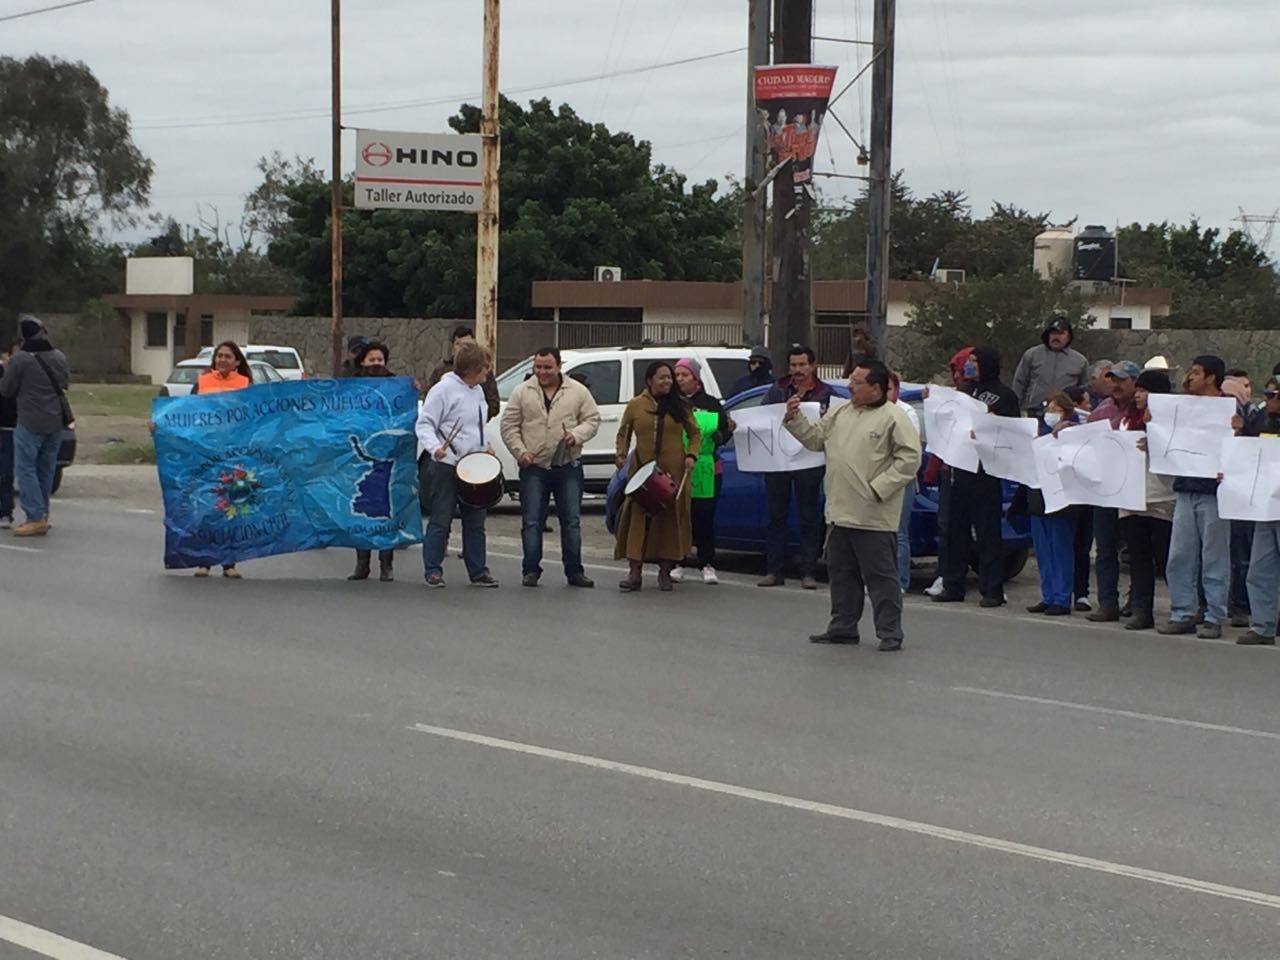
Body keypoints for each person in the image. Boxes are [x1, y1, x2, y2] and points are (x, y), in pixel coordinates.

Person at [783, 359, 921, 651]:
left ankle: (890, 632)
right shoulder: (840, 412)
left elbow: (909, 460)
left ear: (876, 388)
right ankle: (843, 627)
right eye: (851, 381)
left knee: (880, 577)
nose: (850, 387)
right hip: (839, 510)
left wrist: (879, 487)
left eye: (857, 383)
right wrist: (795, 419)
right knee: (841, 574)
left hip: (873, 513)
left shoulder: (894, 417)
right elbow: (815, 439)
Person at [499, 346, 600, 588]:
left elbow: (592, 419)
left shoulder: (577, 391)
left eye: (547, 367)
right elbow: (509, 426)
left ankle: (574, 571)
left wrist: (575, 435)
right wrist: (520, 451)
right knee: (532, 521)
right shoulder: (522, 391)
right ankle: (531, 570)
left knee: (571, 521)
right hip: (534, 467)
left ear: (559, 366)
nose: (542, 372)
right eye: (538, 367)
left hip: (568, 465)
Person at [933, 345, 1020, 607]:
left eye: (974, 361)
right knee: (954, 531)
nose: (969, 366)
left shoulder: (1004, 395)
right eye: (968, 361)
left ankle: (992, 590)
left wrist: (990, 423)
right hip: (958, 470)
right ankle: (953, 584)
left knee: (987, 533)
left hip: (985, 473)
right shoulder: (963, 391)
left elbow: (1012, 430)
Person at [1157, 355, 1231, 638]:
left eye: (1196, 372)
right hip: (1186, 490)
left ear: (1211, 378)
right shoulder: (1181, 407)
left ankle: (1214, 616)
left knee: (1214, 557)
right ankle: (1182, 612)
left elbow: (1246, 445)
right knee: (1179, 555)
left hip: (1215, 493)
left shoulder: (1230, 409)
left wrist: (1238, 429)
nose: (1189, 377)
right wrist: (1154, 425)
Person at [416, 340, 499, 588]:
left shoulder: (477, 391)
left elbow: (475, 427)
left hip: (474, 466)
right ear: (473, 370)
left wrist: (484, 446)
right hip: (447, 464)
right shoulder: (443, 390)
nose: (487, 374)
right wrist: (435, 448)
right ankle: (433, 569)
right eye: (485, 369)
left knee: (476, 522)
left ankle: (478, 570)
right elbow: (425, 423)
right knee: (441, 519)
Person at [613, 361, 701, 592]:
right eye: (662, 377)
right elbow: (623, 433)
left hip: (672, 471)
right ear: (649, 380)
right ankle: (634, 572)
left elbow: (694, 433)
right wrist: (621, 454)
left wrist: (691, 455)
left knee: (668, 521)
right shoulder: (636, 405)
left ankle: (665, 571)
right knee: (638, 518)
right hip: (641, 472)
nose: (667, 381)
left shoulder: (680, 405)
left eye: (670, 377)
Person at [759, 345, 835, 589]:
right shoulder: (778, 389)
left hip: (809, 462)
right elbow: (762, 417)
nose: (798, 369)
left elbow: (833, 425)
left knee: (809, 517)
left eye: (802, 365)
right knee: (776, 516)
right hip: (778, 461)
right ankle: (774, 571)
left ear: (813, 366)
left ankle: (808, 572)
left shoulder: (826, 393)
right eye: (793, 365)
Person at [180, 341, 252, 577]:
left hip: (234, 454)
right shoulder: (202, 382)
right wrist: (159, 425)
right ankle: (204, 561)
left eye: (227, 356)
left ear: (237, 361)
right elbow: (184, 413)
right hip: (206, 451)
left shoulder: (245, 384)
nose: (222, 359)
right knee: (206, 506)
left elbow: (255, 418)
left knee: (231, 507)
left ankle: (229, 563)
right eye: (219, 356)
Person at [0, 316, 70, 538]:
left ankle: (34, 516)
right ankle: (43, 513)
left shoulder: (20, 359)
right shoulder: (59, 356)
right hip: (55, 421)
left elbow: (6, 390)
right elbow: (64, 383)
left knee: (26, 469)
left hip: (30, 420)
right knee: (46, 469)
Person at [1083, 360, 1141, 622]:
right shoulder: (1101, 410)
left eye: (1122, 380)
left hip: (1134, 489)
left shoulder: (1144, 410)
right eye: (1112, 379)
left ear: (1134, 383)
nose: (1116, 385)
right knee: (1105, 548)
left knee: (1137, 550)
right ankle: (1108, 603)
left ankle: (1136, 602)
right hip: (1105, 489)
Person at [1120, 369, 1176, 631]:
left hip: (1161, 497)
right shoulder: (1128, 420)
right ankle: (1142, 609)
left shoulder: (1172, 423)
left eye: (1145, 391)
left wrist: (1156, 438)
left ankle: (1181, 608)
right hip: (1132, 497)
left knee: (1167, 559)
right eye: (1138, 390)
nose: (1138, 395)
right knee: (1138, 557)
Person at [1023, 393, 1084, 616]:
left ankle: (1062, 597)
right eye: (1048, 409)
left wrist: (1068, 429)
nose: (1050, 413)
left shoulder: (1074, 431)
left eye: (1056, 409)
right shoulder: (1039, 431)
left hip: (1062, 499)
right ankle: (1047, 595)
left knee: (1061, 549)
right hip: (1038, 496)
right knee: (1043, 550)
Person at [672, 357, 731, 584]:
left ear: (695, 378)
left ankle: (707, 563)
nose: (680, 379)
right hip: (679, 466)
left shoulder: (711, 403)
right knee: (681, 516)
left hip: (707, 467)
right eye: (677, 375)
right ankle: (678, 561)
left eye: (684, 375)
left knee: (704, 516)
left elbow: (725, 430)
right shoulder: (672, 402)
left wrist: (720, 436)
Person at [923, 346, 976, 597]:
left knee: (973, 527)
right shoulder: (949, 398)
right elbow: (940, 437)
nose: (957, 375)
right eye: (955, 370)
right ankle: (945, 574)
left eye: (961, 370)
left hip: (974, 471)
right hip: (949, 469)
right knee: (948, 526)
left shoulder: (981, 397)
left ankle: (985, 580)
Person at [346, 341, 398, 583]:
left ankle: (386, 564)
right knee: (363, 510)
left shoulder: (396, 385)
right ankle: (362, 563)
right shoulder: (351, 387)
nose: (376, 364)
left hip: (387, 457)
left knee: (386, 511)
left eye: (380, 360)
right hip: (359, 457)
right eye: (371, 360)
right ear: (363, 362)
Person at [1236, 375, 1280, 645]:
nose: (1268, 399)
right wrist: (1240, 433)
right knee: (1259, 569)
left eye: (1273, 395)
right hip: (1266, 507)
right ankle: (1263, 626)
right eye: (1267, 394)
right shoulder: (1261, 420)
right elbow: (1246, 454)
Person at [1221, 374, 1256, 627]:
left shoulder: (1254, 422)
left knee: (1243, 555)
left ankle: (1242, 605)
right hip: (1222, 492)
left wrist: (1243, 431)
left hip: (1247, 496)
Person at [1011, 315, 1090, 414]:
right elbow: (1019, 383)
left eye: (1061, 333)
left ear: (1068, 336)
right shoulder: (1032, 355)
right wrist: (1014, 408)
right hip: (1033, 411)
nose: (1056, 337)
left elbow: (1084, 389)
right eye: (1053, 333)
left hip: (1063, 413)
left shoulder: (1080, 361)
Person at [888, 370, 920, 591]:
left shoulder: (906, 412)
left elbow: (909, 448)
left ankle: (900, 581)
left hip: (902, 479)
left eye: (889, 388)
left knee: (899, 532)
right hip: (875, 477)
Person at [428, 325, 500, 420]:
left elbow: (493, 403)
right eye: (458, 344)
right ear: (453, 346)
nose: (462, 348)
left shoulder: (483, 371)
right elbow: (429, 400)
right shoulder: (441, 371)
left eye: (467, 345)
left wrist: (476, 417)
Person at [0, 342, 19, 529]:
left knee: (6, 472)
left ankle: (5, 511)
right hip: (6, 428)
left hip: (14, 428)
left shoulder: (22, 376)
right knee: (4, 472)